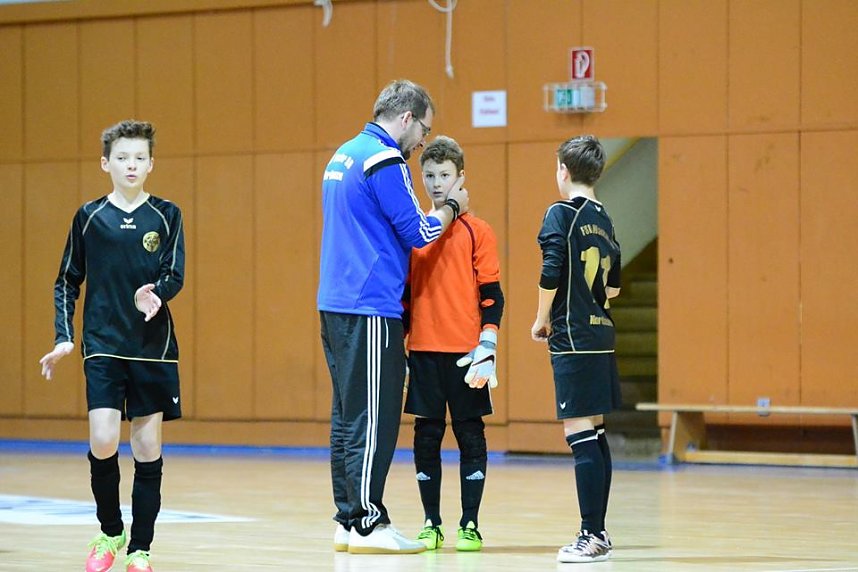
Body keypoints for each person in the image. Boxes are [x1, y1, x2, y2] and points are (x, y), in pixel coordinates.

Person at [318, 79, 469, 555]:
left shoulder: (344, 153)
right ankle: (367, 520)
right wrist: (451, 208)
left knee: (347, 416)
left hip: (336, 302)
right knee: (375, 417)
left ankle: (347, 516)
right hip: (371, 309)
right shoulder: (384, 158)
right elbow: (421, 232)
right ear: (406, 119)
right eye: (423, 130)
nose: (422, 142)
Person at [39, 120, 184, 572]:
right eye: (122, 157)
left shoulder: (167, 215)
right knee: (103, 440)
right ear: (106, 163)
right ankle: (110, 530)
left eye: (140, 157)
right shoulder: (89, 217)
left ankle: (140, 548)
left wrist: (155, 293)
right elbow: (67, 280)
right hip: (102, 344)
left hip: (151, 346)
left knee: (145, 449)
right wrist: (65, 336)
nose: (131, 165)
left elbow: (174, 273)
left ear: (151, 163)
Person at [402, 135, 504, 552]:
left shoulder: (478, 231)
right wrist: (401, 350)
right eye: (429, 175)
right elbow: (404, 299)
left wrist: (488, 343)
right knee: (426, 438)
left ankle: (470, 524)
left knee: (470, 437)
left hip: (466, 355)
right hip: (424, 353)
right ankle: (431, 522)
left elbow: (492, 295)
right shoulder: (414, 231)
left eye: (445, 175)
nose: (437, 182)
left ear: (461, 177)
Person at [530, 135, 621, 563]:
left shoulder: (560, 213)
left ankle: (591, 534)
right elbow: (614, 287)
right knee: (596, 432)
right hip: (602, 333)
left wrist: (541, 318)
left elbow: (551, 271)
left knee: (579, 433)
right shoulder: (604, 219)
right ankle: (599, 530)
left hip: (573, 336)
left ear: (564, 171)